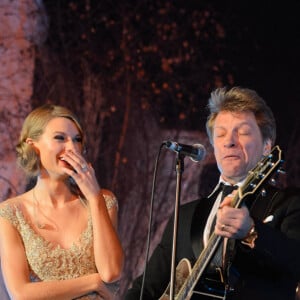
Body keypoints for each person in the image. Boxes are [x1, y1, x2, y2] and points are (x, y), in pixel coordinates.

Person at [125, 86, 300, 300]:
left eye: (243, 132)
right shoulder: (185, 216)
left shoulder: (288, 204)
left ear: (266, 146)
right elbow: (146, 289)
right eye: (221, 134)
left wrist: (252, 232)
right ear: (214, 146)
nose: (230, 141)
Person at [0, 104, 124, 299]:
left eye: (77, 140)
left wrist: (94, 197)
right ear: (33, 145)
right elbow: (21, 294)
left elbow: (111, 272)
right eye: (60, 138)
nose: (72, 147)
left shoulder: (103, 201)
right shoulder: (11, 212)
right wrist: (93, 282)